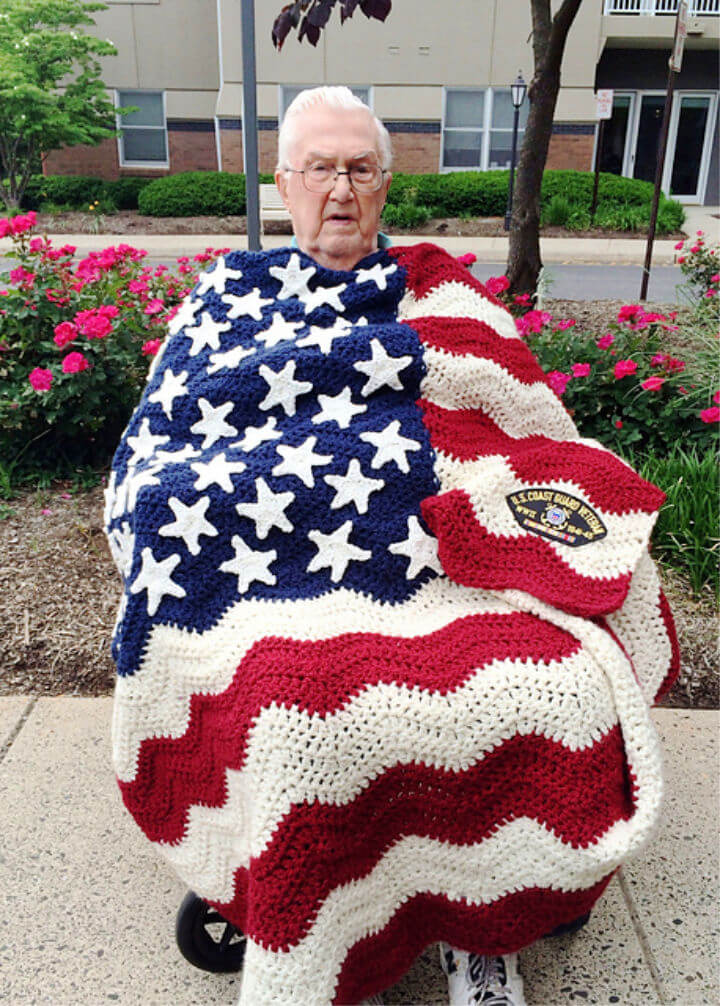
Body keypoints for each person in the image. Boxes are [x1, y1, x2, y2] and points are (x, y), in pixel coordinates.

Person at [104, 87, 678, 1006]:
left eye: (360, 169)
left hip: (446, 565)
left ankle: (484, 932)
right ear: (283, 183)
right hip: (275, 582)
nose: (340, 189)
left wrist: (487, 492)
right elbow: (164, 448)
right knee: (290, 710)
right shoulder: (225, 300)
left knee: (551, 681)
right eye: (319, 168)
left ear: (385, 184)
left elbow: (525, 421)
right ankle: (333, 930)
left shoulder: (442, 291)